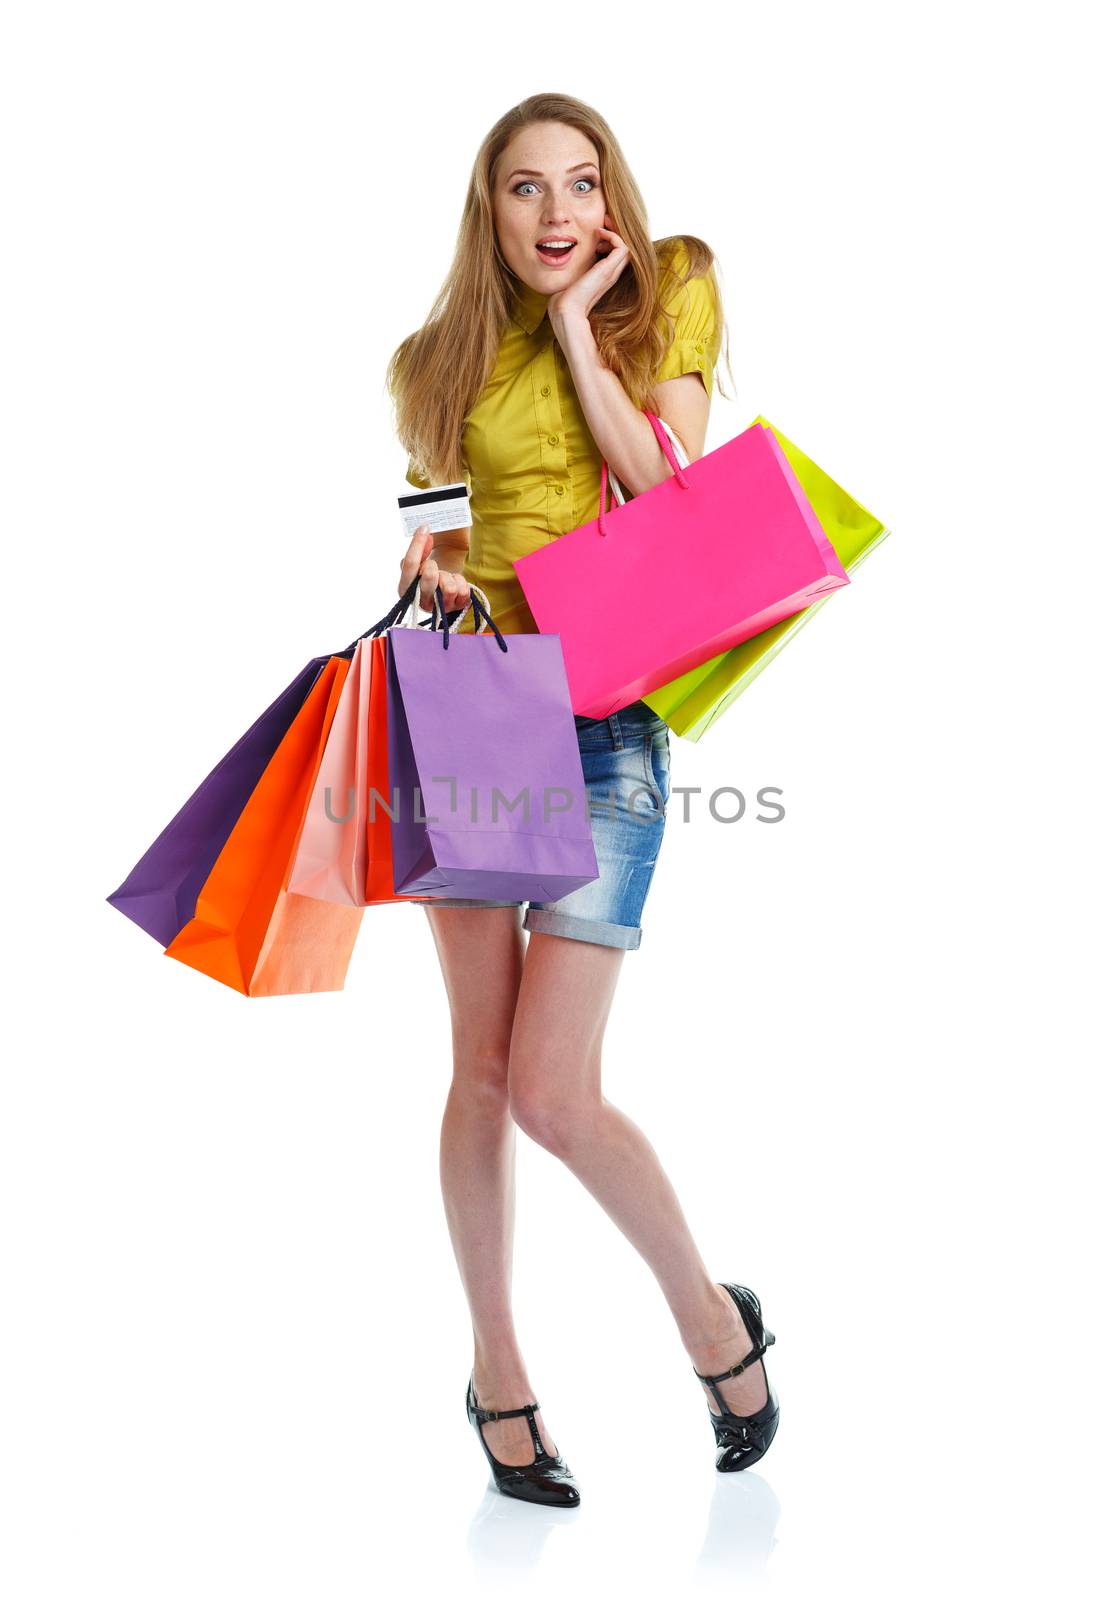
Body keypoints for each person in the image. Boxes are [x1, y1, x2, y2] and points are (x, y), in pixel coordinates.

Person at [386, 92, 778, 1507]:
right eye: (522, 191)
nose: (554, 216)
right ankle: (497, 1371)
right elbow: (432, 537)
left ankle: (712, 1324)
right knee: (481, 1076)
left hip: (610, 722)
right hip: (479, 713)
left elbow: (661, 477)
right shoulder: (431, 360)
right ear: (486, 211)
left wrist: (573, 329)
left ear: (610, 198)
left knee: (556, 1091)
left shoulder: (669, 284)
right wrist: (427, 578)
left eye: (577, 185)